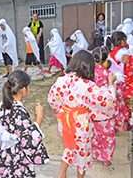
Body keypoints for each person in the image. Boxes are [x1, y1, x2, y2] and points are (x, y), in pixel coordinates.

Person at [48, 50, 117, 178]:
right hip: (80, 124)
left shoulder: (61, 80)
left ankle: (62, 174)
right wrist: (111, 84)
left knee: (69, 147)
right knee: (82, 152)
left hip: (65, 121)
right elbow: (107, 100)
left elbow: (52, 99)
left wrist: (63, 109)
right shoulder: (87, 85)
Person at [0, 70, 50, 177]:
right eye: (29, 86)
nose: (29, 89)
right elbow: (29, 141)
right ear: (23, 89)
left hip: (6, 153)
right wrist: (39, 119)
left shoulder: (3, 104)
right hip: (17, 157)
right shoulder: (19, 112)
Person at [91, 46, 118, 168]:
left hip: (92, 112)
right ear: (106, 59)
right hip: (106, 114)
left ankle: (95, 155)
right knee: (107, 136)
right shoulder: (110, 75)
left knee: (95, 135)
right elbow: (113, 95)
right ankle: (106, 160)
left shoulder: (89, 74)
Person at [106, 31, 132, 130]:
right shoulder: (124, 53)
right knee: (125, 104)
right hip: (123, 82)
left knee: (116, 104)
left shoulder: (112, 52)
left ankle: (117, 124)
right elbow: (129, 69)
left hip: (113, 81)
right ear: (121, 41)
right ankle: (126, 124)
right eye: (125, 40)